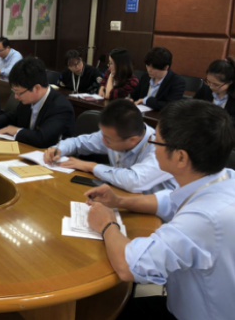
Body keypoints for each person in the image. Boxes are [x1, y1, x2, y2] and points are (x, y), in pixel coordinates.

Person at [85, 99, 235, 320]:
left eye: (156, 140)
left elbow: (128, 265)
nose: (152, 146)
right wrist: (120, 201)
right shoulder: (224, 177)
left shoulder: (203, 219)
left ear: (181, 157)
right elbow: (169, 201)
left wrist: (107, 224)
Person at [44, 99, 177, 194]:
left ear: (132, 140)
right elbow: (79, 142)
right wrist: (59, 149)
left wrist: (91, 166)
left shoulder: (161, 148)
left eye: (107, 139)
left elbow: (134, 181)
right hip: (119, 196)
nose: (102, 140)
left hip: (156, 216)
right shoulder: (113, 134)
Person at [0, 57, 74, 148]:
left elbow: (42, 138)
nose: (16, 97)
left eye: (18, 92)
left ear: (36, 88)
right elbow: (12, 117)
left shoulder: (61, 107)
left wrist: (17, 131)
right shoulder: (29, 100)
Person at [194, 57, 235, 124]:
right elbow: (193, 106)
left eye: (216, 85)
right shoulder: (205, 89)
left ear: (230, 82)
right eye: (208, 81)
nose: (211, 87)